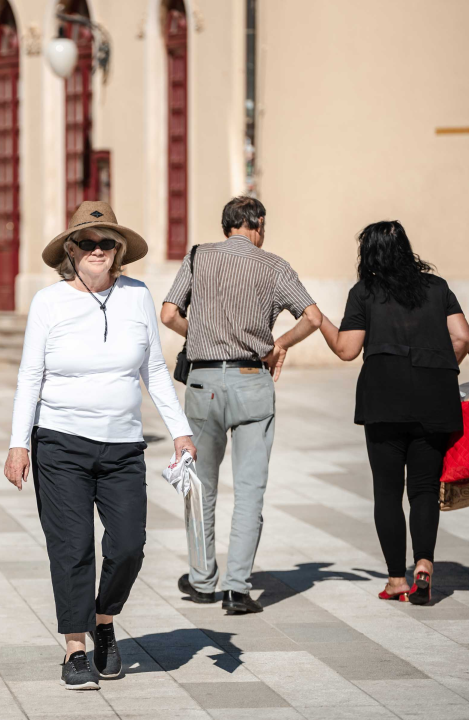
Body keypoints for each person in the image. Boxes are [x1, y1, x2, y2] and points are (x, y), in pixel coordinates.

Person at [4, 201, 196, 690]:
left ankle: (104, 620)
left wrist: (180, 430)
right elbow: (31, 375)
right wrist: (17, 443)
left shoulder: (137, 296)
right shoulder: (49, 303)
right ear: (70, 249)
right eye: (86, 243)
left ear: (119, 250)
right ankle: (75, 648)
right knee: (71, 550)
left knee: (129, 545)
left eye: (105, 243)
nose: (96, 250)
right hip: (60, 443)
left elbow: (153, 369)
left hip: (123, 445)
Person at [160, 196, 322, 614]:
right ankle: (236, 588)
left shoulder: (198, 256)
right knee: (250, 490)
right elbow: (313, 317)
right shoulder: (273, 266)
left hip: (204, 382)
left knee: (201, 486)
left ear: (226, 225)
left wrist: (199, 333)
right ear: (257, 224)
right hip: (252, 381)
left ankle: (201, 580)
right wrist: (280, 344)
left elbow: (168, 313)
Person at [319, 221, 469, 605]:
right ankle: (423, 564)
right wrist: (437, 367)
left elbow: (347, 349)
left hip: (383, 401)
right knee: (423, 489)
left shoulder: (365, 293)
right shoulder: (437, 288)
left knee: (387, 492)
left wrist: (318, 320)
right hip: (434, 400)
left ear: (368, 254)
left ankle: (396, 580)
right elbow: (463, 337)